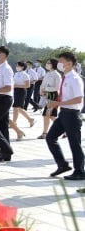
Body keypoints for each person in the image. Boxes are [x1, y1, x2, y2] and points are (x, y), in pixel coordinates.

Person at [46, 51, 85, 180]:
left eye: (61, 61)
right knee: (50, 137)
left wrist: (59, 103)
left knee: (75, 143)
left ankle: (79, 171)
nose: (59, 64)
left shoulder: (75, 79)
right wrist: (56, 104)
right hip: (64, 113)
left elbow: (78, 99)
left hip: (72, 114)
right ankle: (62, 164)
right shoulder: (65, 77)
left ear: (69, 63)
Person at [11, 61, 35, 140]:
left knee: (15, 107)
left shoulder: (25, 75)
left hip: (22, 91)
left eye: (19, 66)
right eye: (17, 65)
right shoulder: (16, 74)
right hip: (16, 91)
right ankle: (30, 119)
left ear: (23, 67)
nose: (17, 67)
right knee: (19, 109)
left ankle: (14, 122)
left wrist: (17, 85)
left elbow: (27, 85)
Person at [38, 58, 61, 139]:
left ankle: (45, 133)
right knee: (49, 115)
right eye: (47, 63)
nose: (47, 64)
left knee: (48, 114)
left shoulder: (57, 75)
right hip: (46, 95)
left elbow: (57, 87)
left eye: (49, 63)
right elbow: (43, 84)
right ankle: (62, 129)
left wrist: (46, 90)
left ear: (53, 64)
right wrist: (41, 91)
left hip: (53, 95)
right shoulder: (47, 74)